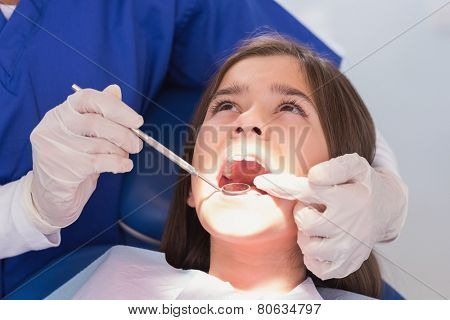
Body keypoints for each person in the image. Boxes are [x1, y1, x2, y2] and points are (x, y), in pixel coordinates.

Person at [0, 0, 405, 297]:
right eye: (226, 105)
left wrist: (387, 190)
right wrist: (28, 207)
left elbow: (320, 79)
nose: (245, 121)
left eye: (288, 107)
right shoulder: (93, 282)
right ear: (190, 190)